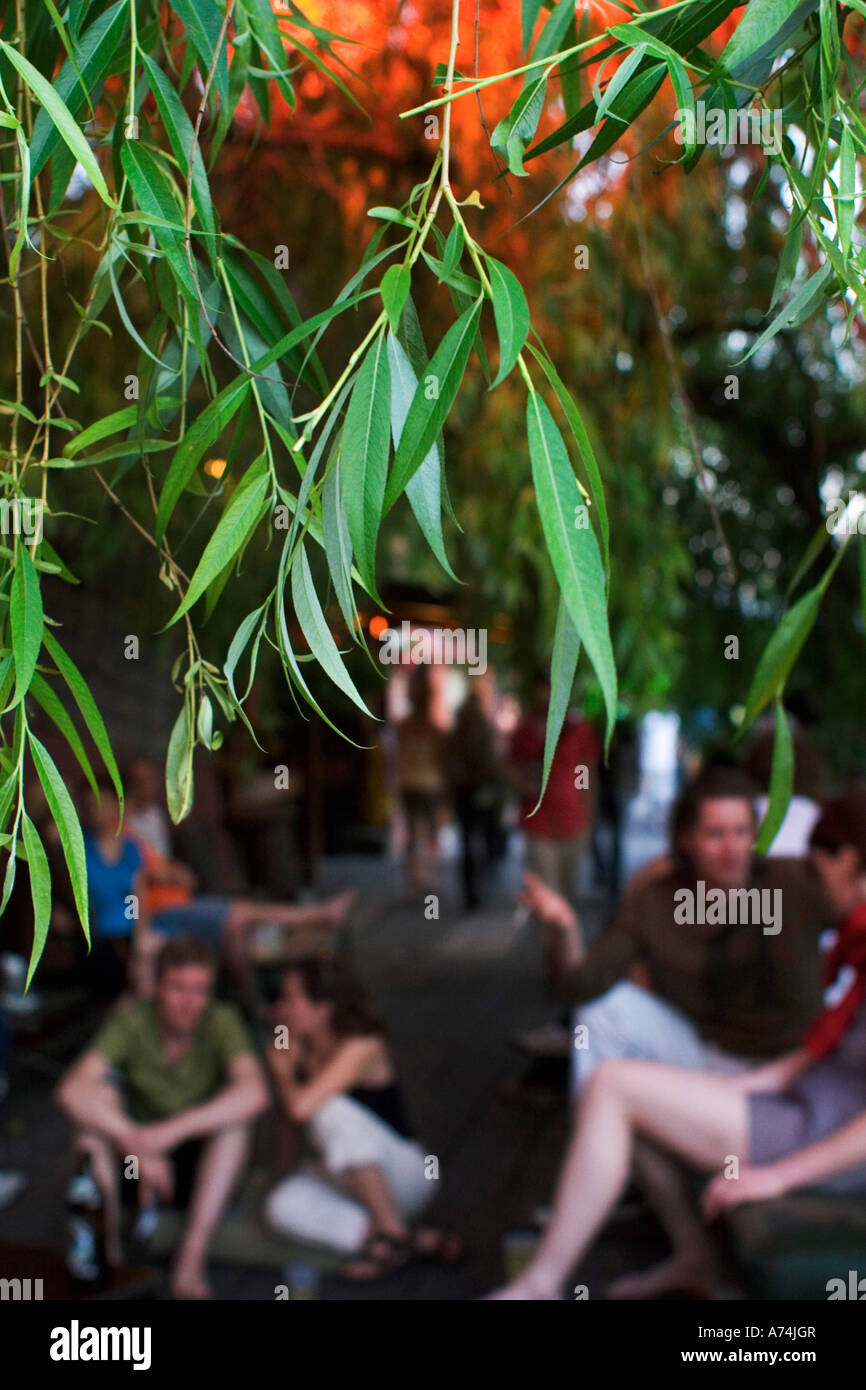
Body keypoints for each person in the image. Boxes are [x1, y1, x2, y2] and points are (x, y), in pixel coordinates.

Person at [491, 787, 866, 1299]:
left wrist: (777, 1176)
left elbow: (841, 947)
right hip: (759, 1079)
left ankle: (548, 1274)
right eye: (715, 834)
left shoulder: (794, 885)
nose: (733, 848)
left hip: (810, 1118)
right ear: (685, 841)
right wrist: (564, 930)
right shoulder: (659, 898)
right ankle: (673, 1246)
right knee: (605, 1028)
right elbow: (581, 983)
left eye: (743, 833)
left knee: (615, 1093)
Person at [55, 935, 269, 1298]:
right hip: (136, 1167)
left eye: (200, 990)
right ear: (157, 986)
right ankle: (112, 1263)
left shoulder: (221, 1021)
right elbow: (72, 1089)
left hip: (194, 1161)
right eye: (177, 988)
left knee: (236, 1125)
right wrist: (133, 1140)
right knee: (91, 1130)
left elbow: (254, 1093)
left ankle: (191, 1259)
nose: (189, 1002)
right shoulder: (133, 1021)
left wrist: (168, 1134)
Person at [264, 955, 462, 1276]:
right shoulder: (296, 1047)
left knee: (330, 1111)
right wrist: (278, 1178)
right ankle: (408, 1238)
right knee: (281, 1204)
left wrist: (283, 1073)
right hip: (347, 1177)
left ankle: (393, 1239)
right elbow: (289, 1120)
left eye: (289, 998)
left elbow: (302, 1108)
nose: (281, 1008)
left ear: (323, 1008)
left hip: (404, 1174)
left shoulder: (362, 1044)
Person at [81, 782, 356, 999]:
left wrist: (146, 927)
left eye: (103, 803)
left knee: (242, 936)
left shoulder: (130, 846)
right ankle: (316, 920)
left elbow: (162, 884)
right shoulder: (81, 844)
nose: (97, 810)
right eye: (91, 804)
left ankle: (262, 998)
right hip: (150, 923)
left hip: (166, 918)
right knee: (239, 921)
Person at [444, 690, 503, 910]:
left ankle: (471, 892)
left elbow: (448, 761)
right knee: (481, 839)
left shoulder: (458, 732)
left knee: (468, 841)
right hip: (481, 789)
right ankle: (479, 887)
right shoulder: (483, 730)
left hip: (464, 791)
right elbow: (494, 761)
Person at [395, 675, 446, 896]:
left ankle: (418, 880)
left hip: (412, 783)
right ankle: (425, 878)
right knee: (428, 832)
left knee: (417, 833)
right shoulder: (432, 730)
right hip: (426, 785)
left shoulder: (405, 728)